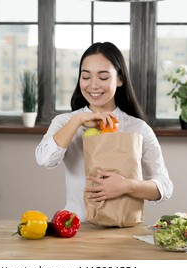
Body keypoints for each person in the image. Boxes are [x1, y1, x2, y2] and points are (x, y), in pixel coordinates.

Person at [35, 42, 173, 222]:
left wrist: (127, 186)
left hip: (123, 230)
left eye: (103, 77)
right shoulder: (64, 122)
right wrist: (77, 121)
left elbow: (164, 187)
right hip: (75, 227)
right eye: (86, 77)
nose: (93, 85)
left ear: (120, 79)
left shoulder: (137, 128)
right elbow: (45, 160)